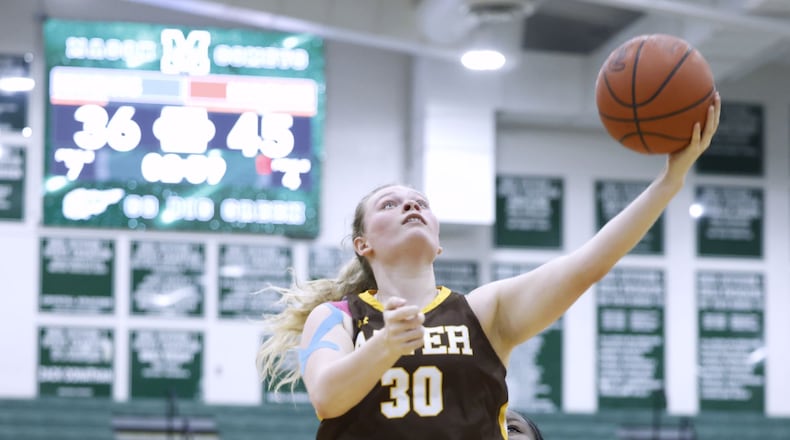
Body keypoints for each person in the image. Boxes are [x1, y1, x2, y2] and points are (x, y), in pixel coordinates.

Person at [256, 94, 721, 440]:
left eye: (420, 202)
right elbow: (327, 398)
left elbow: (587, 265)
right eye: (390, 204)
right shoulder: (338, 317)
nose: (411, 206)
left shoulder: (483, 312)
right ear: (363, 244)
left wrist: (669, 182)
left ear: (438, 244)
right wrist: (386, 344)